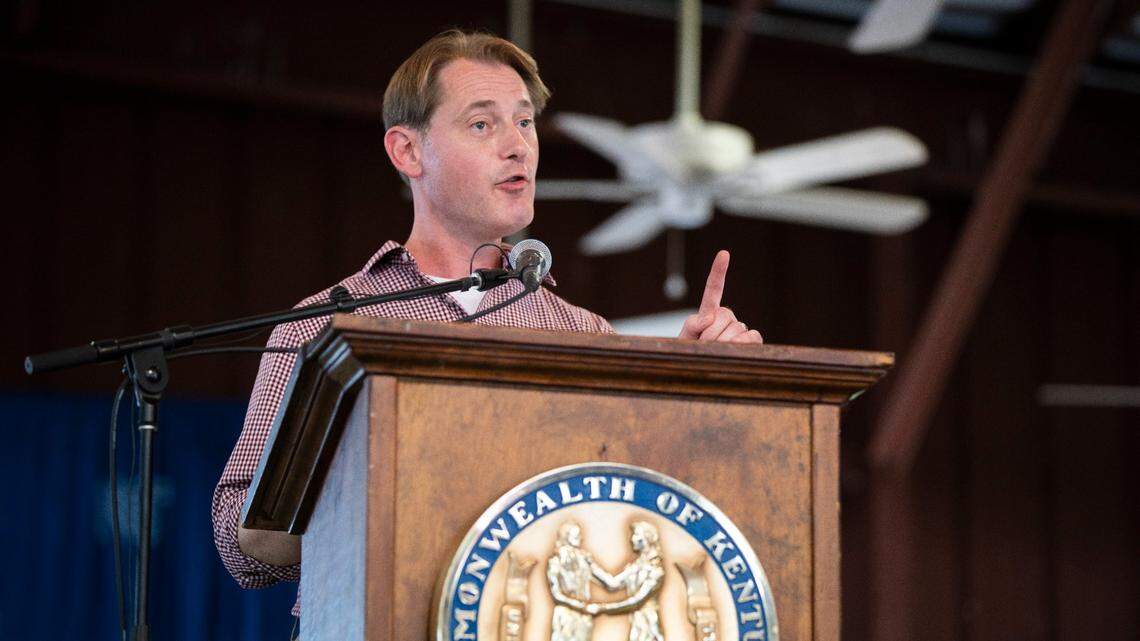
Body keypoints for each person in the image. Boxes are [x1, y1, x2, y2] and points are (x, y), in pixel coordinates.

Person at [211, 29, 762, 620]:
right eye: (482, 124)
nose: (517, 146)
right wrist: (363, 492)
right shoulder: (325, 325)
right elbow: (239, 545)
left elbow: (625, 511)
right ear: (408, 152)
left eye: (524, 123)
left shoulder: (584, 334)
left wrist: (684, 386)